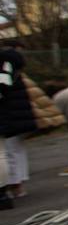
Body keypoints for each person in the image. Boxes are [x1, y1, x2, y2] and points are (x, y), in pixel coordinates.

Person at [0, 44, 36, 198]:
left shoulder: (4, 66)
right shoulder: (14, 68)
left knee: (8, 152)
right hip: (19, 115)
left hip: (9, 115)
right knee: (16, 150)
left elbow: (2, 89)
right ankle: (18, 183)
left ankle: (13, 186)